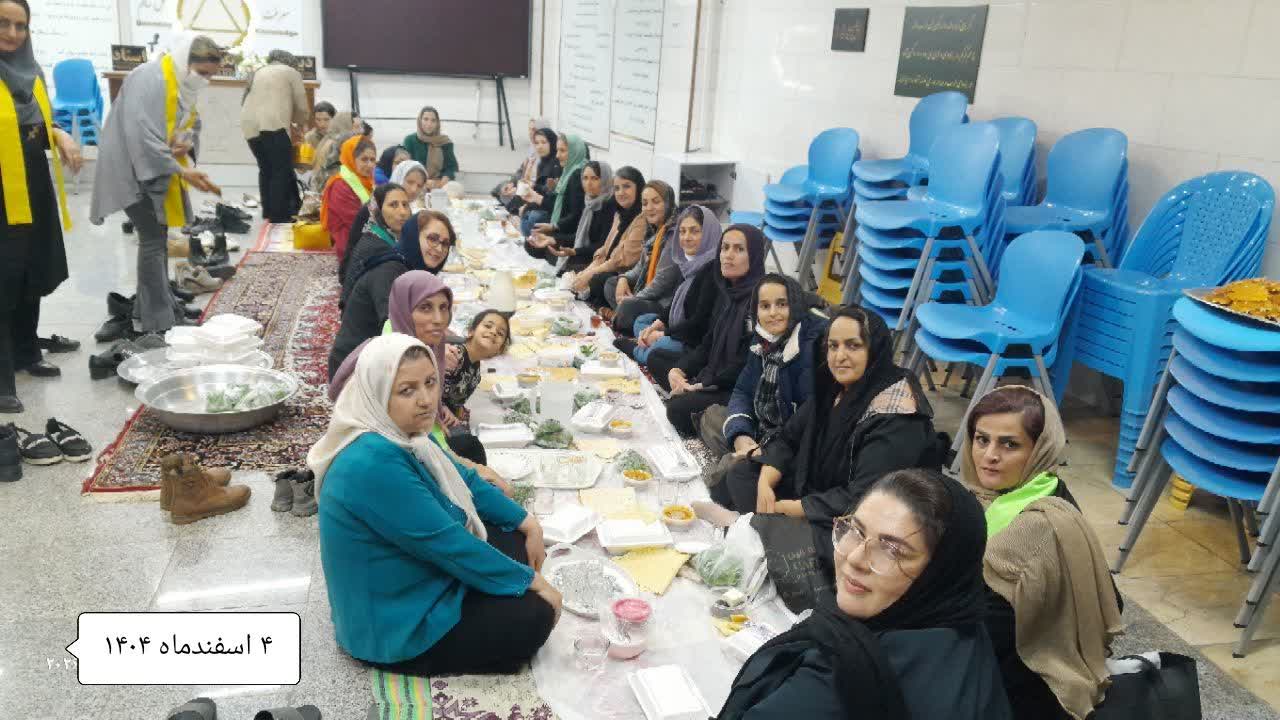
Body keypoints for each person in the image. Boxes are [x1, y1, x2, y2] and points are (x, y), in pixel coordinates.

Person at [309, 334, 561, 677]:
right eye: (407, 390)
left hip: (410, 570)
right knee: (535, 615)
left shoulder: (402, 431)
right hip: (391, 622)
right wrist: (534, 583)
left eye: (430, 383)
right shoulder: (371, 462)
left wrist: (527, 522)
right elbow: (449, 545)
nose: (426, 400)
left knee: (514, 537)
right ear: (376, 392)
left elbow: (465, 479)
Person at [717, 469, 1012, 720]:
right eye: (856, 530)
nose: (855, 557)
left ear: (940, 573)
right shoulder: (966, 634)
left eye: (892, 549)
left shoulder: (844, 677)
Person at [702, 305, 946, 538]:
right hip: (819, 489)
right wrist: (766, 478)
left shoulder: (897, 417)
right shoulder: (835, 388)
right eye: (833, 346)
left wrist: (798, 508)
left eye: (853, 346)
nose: (840, 356)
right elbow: (788, 438)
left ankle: (761, 531)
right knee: (744, 474)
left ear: (875, 351)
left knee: (819, 541)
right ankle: (762, 530)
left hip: (863, 519)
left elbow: (867, 497)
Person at [960, 386, 1123, 720]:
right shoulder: (1038, 487)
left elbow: (982, 632)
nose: (989, 455)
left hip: (1018, 683)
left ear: (1040, 449)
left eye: (1009, 444)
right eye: (981, 439)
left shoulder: (1035, 528)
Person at [90, 32, 222, 336]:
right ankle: (159, 321)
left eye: (210, 75)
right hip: (132, 169)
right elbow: (141, 135)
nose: (205, 80)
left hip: (153, 168)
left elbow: (188, 125)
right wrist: (181, 170)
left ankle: (152, 307)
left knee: (157, 239)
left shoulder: (181, 83)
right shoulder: (149, 78)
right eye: (202, 73)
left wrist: (184, 144)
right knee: (152, 240)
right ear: (186, 61)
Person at [0, 0, 83, 413]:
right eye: (3, 23)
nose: (13, 34)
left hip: (32, 179)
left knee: (31, 267)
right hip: (1, 188)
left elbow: (36, 123)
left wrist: (60, 135)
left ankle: (27, 351)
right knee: (4, 275)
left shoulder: (32, 72)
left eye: (21, 26)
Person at [698, 274, 828, 485]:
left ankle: (739, 469)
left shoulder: (810, 346)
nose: (773, 313)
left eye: (782, 304)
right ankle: (744, 459)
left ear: (795, 305)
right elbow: (742, 391)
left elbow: (802, 426)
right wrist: (741, 436)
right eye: (765, 306)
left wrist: (765, 448)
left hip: (786, 443)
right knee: (711, 415)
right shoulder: (763, 339)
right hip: (760, 427)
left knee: (729, 476)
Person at [646, 224, 766, 437]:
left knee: (676, 409)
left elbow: (744, 365)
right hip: (712, 373)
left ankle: (708, 412)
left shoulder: (760, 302)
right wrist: (679, 370)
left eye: (739, 249)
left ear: (754, 256)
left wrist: (704, 385)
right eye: (725, 248)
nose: (728, 255)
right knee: (657, 358)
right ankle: (693, 398)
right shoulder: (729, 293)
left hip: (735, 388)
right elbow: (708, 344)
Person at [329, 214, 458, 378]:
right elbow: (393, 325)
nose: (439, 249)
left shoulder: (410, 268)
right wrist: (437, 349)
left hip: (380, 355)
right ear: (413, 235)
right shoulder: (389, 272)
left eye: (445, 244)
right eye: (432, 239)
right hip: (354, 367)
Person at [614, 204, 722, 357]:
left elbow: (698, 323)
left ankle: (639, 350)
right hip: (677, 327)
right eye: (682, 231)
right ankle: (647, 342)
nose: (686, 237)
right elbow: (674, 303)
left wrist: (662, 335)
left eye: (694, 231)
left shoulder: (713, 270)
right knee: (643, 321)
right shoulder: (689, 264)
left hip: (692, 339)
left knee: (659, 350)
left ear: (709, 233)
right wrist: (656, 326)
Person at [240, 49, 308, 223]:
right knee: (281, 170)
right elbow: (301, 104)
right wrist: (300, 123)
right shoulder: (291, 72)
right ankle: (280, 215)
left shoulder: (258, 72)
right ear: (291, 62)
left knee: (266, 169)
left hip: (249, 126)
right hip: (272, 125)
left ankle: (268, 212)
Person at [598, 180, 676, 316]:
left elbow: (662, 283)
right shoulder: (653, 233)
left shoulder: (673, 235)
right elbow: (639, 268)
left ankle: (620, 316)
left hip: (663, 303)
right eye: (645, 203)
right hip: (646, 292)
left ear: (668, 203)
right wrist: (623, 278)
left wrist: (634, 299)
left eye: (656, 202)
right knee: (611, 284)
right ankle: (622, 316)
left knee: (629, 306)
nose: (649, 208)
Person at [570, 166, 646, 304]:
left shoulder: (642, 219)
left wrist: (589, 274)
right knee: (579, 274)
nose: (621, 192)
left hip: (626, 276)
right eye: (616, 188)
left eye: (626, 186)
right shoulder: (619, 214)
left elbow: (622, 260)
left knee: (599, 280)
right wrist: (585, 273)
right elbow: (605, 250)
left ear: (639, 188)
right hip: (610, 267)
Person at [533, 161, 617, 274]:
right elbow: (578, 235)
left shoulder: (610, 205)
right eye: (585, 178)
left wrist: (575, 251)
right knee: (543, 246)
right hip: (584, 250)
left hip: (600, 257)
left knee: (569, 264)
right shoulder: (589, 201)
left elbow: (603, 245)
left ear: (605, 180)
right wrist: (553, 240)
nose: (588, 183)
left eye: (595, 178)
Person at [338, 182, 412, 294]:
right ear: (378, 210)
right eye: (393, 205)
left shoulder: (377, 234)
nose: (403, 212)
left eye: (405, 205)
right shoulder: (378, 250)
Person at [441, 310, 511, 427]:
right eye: (488, 326)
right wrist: (441, 407)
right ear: (471, 331)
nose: (493, 332)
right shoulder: (454, 355)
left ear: (499, 349)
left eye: (500, 333)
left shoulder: (476, 373)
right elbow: (429, 389)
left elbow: (455, 400)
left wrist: (458, 409)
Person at [520, 133, 586, 240]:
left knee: (533, 222)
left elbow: (573, 214)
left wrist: (537, 197)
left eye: (562, 150)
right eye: (557, 150)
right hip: (560, 225)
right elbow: (557, 201)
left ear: (575, 152)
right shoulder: (568, 170)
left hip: (568, 234)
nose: (557, 155)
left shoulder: (577, 174)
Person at [321, 135, 375, 261]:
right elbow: (356, 222)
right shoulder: (340, 185)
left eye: (373, 160)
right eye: (364, 159)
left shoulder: (365, 181)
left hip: (364, 241)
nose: (370, 165)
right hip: (350, 248)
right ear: (351, 158)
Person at [493, 117, 552, 205]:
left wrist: (519, 190)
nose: (531, 133)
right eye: (529, 129)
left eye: (534, 129)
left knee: (509, 202)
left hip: (535, 194)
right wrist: (510, 184)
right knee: (500, 192)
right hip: (524, 188)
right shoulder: (532, 148)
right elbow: (521, 170)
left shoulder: (548, 153)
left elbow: (540, 184)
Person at [508, 126, 561, 218]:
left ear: (552, 143)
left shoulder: (557, 164)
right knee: (507, 198)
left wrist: (527, 207)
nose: (539, 146)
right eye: (537, 143)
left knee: (532, 215)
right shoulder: (542, 162)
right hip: (535, 199)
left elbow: (546, 196)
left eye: (543, 142)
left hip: (547, 207)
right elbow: (533, 186)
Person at [402, 106, 457, 190]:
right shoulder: (410, 140)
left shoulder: (445, 142)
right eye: (426, 119)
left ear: (437, 123)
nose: (429, 124)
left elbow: (451, 167)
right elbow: (406, 166)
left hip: (439, 183)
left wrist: (444, 180)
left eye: (433, 120)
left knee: (457, 189)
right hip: (416, 183)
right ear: (420, 121)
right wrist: (424, 181)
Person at [309, 111, 356, 192]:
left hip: (321, 186)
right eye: (356, 126)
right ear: (346, 125)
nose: (360, 130)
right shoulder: (338, 143)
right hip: (330, 188)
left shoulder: (327, 140)